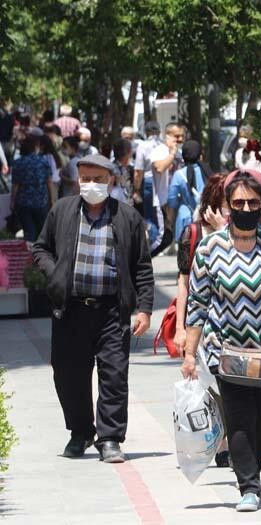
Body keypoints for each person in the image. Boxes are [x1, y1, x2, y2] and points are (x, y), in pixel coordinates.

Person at [180, 168, 261, 512]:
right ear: (227, 204)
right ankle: (248, 486)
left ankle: (252, 470)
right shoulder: (210, 248)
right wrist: (190, 353)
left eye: (253, 202)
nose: (245, 207)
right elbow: (198, 303)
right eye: (238, 201)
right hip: (227, 354)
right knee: (238, 419)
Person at [32, 154, 154, 463]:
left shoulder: (127, 217)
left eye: (98, 179)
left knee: (114, 375)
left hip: (112, 311)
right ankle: (80, 432)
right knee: (69, 375)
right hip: (70, 310)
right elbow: (40, 248)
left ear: (111, 180)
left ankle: (110, 438)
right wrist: (56, 271)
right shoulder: (61, 211)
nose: (91, 185)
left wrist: (144, 309)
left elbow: (142, 266)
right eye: (85, 178)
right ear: (77, 179)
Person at [172, 173, 231, 467]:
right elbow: (183, 282)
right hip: (202, 323)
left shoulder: (239, 232)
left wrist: (225, 229)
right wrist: (181, 328)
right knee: (208, 383)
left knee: (231, 381)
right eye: (225, 204)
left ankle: (234, 439)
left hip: (233, 322)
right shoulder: (193, 233)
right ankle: (221, 444)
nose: (230, 211)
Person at [10, 135, 55, 241]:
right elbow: (49, 182)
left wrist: (12, 202)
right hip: (41, 202)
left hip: (23, 203)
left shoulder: (18, 163)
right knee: (41, 232)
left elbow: (15, 185)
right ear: (35, 146)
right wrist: (52, 200)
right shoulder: (43, 162)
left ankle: (29, 253)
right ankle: (39, 254)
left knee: (29, 231)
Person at [167, 140, 210, 240]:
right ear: (200, 156)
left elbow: (172, 199)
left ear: (183, 157)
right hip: (207, 219)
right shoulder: (208, 172)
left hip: (185, 219)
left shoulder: (179, 175)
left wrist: (169, 219)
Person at [149, 123, 185, 234]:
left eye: (182, 136)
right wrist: (172, 154)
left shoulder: (180, 153)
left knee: (176, 234)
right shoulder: (159, 151)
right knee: (162, 237)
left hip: (178, 200)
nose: (180, 139)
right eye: (177, 136)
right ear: (167, 136)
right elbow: (159, 168)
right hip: (163, 200)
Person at [133, 120, 162, 208]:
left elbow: (139, 171)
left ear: (146, 132)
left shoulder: (142, 146)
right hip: (164, 181)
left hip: (149, 181)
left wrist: (136, 190)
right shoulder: (164, 144)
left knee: (150, 215)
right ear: (159, 132)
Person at [111, 139, 135, 206]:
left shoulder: (131, 168)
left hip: (128, 205)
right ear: (127, 152)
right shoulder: (111, 169)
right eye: (131, 150)